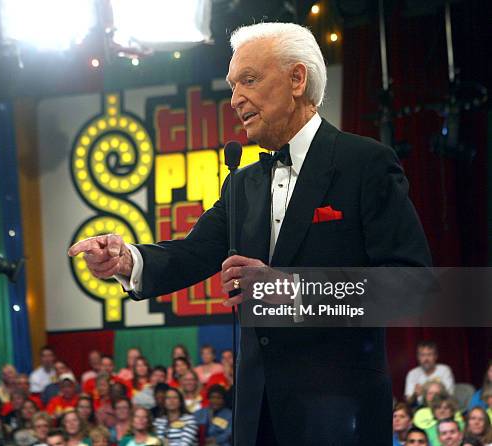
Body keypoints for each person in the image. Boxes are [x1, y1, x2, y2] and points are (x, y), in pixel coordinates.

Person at [69, 21, 432, 445]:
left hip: (340, 416)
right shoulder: (243, 183)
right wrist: (127, 259)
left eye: (250, 80)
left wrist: (296, 291)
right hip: (257, 419)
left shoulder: (364, 162)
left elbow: (412, 286)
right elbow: (193, 252)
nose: (236, 98)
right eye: (233, 84)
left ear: (297, 79)